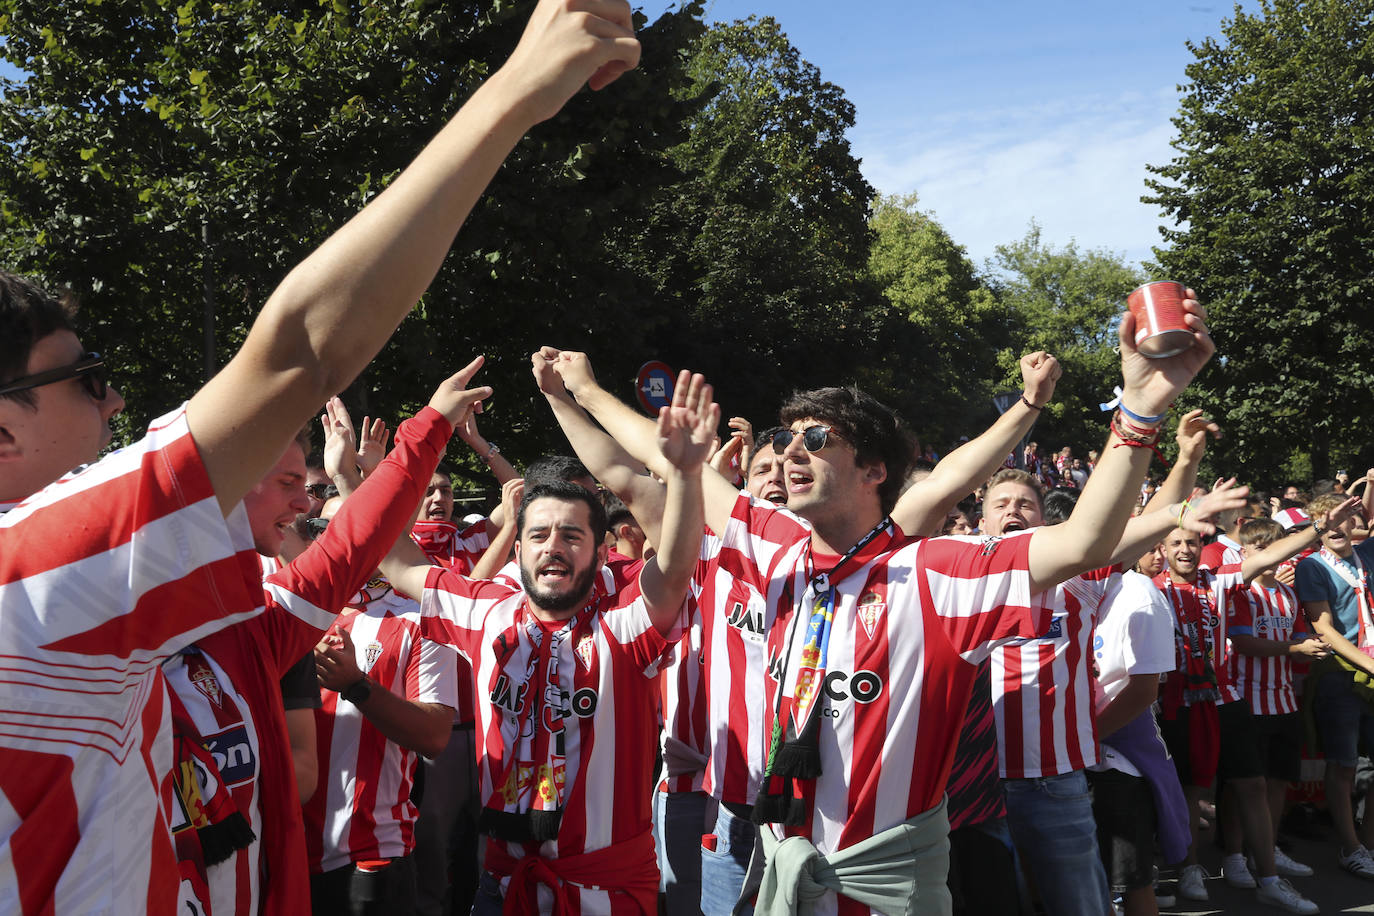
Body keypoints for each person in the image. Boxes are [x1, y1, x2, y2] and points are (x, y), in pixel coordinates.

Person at [0, 4, 643, 911]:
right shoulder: (23, 583)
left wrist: (421, 436)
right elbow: (301, 350)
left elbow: (341, 560)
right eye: (84, 377)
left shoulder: (168, 614)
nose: (112, 399)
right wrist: (512, 94)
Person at [563, 306, 1212, 912]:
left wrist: (1141, 409)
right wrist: (584, 391)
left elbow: (1082, 541)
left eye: (814, 439)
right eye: (787, 441)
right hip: (760, 854)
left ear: (874, 469)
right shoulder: (764, 538)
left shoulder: (936, 574)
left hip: (884, 884)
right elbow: (657, 454)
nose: (791, 453)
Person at [375, 375, 713, 914]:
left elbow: (673, 570)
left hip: (605, 895)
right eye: (537, 535)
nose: (552, 547)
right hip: (502, 887)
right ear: (515, 548)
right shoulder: (486, 613)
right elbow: (394, 559)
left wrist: (687, 474)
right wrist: (402, 448)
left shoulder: (625, 627)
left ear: (601, 553)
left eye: (571, 536)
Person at [305, 489, 457, 916]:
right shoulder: (294, 610)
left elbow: (434, 735)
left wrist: (356, 685)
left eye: (355, 525)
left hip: (369, 856)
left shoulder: (419, 619)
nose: (338, 537)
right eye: (324, 527)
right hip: (283, 849)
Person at [1295, 491, 1374, 879]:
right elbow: (1322, 626)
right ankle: (1350, 846)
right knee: (1343, 765)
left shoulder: (1367, 556)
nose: (1336, 525)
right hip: (1340, 674)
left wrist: (1369, 485)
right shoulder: (1312, 566)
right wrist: (1370, 665)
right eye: (1326, 519)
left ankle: (1369, 844)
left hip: (1371, 673)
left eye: (1343, 517)